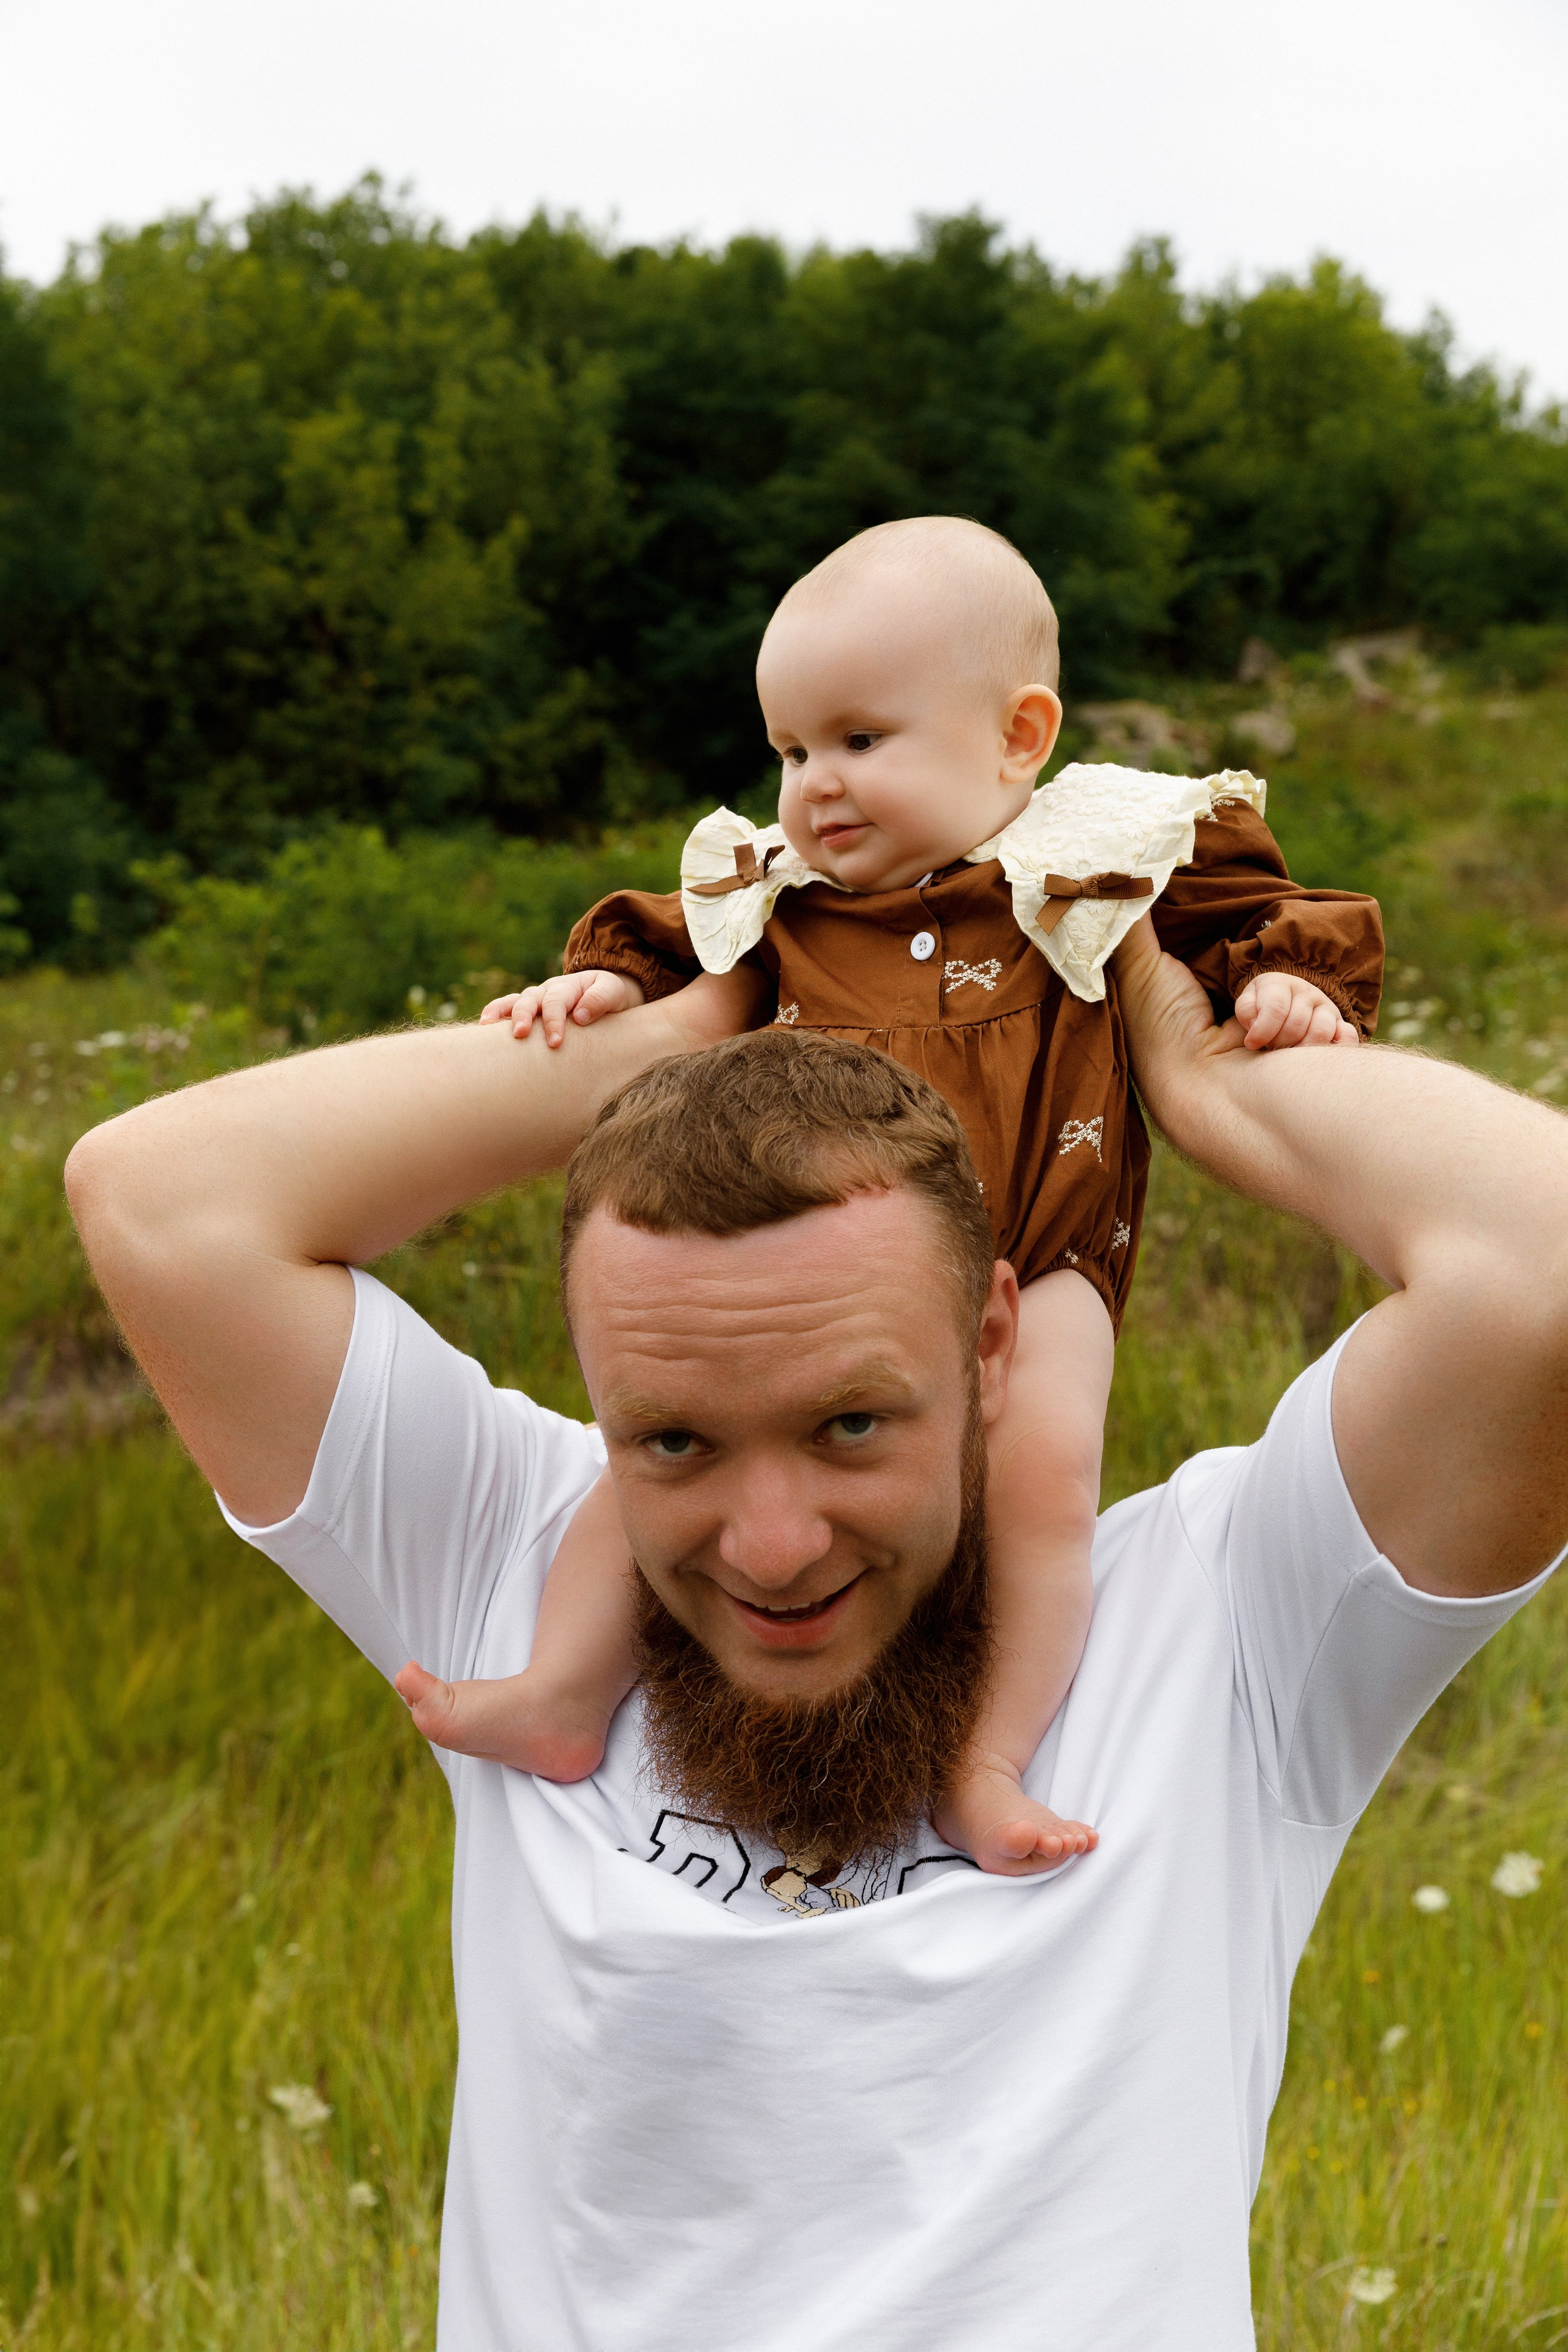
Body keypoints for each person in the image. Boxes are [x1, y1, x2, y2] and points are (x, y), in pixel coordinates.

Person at [65, 927, 1567, 2350]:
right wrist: (670, 1031)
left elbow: (1545, 1263)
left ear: (991, 1345)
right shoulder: (517, 1574)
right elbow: (159, 1197)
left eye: (849, 1424)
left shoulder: (1224, 1627)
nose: (770, 1547)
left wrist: (1187, 1072)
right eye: (671, 1443)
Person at [404, 517, 1385, 1874]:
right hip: (810, 1282)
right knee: (657, 1463)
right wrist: (608, 987)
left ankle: (981, 1764)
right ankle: (566, 1695)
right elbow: (664, 942)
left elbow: (1257, 923)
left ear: (1016, 733)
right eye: (791, 749)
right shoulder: (781, 894)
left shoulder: (1105, 848)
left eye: (858, 740)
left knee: (1041, 1477)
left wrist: (1285, 988)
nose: (813, 786)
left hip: (1040, 1248)